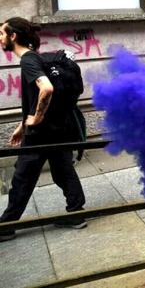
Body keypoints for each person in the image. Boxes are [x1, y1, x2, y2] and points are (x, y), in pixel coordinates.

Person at [0, 18, 86, 242]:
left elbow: (46, 89)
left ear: (13, 36)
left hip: (42, 134)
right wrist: (22, 125)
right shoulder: (37, 57)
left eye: (2, 33)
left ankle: (6, 226)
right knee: (63, 170)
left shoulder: (28, 60)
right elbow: (35, 97)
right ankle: (77, 213)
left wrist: (36, 119)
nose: (0, 38)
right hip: (59, 128)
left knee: (22, 177)